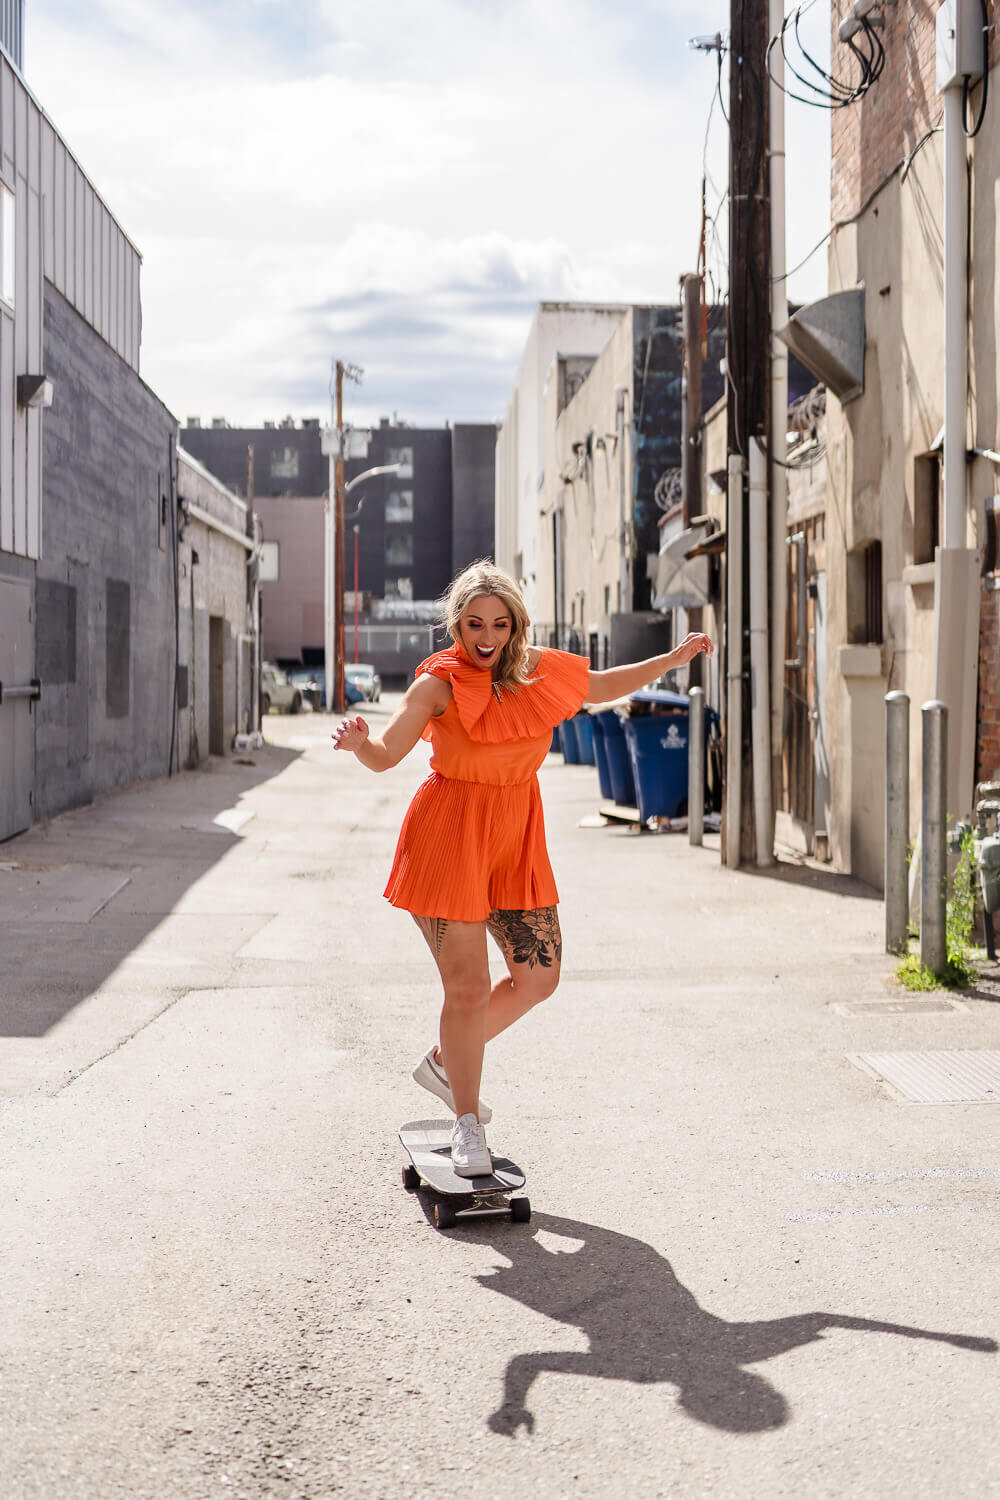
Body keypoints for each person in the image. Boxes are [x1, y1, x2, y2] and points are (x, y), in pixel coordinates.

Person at [333, 561, 713, 1176]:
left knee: (539, 976)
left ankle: (444, 1060)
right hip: (450, 836)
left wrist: (669, 661)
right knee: (468, 987)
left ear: (514, 626)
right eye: (474, 622)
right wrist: (359, 743)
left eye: (499, 623)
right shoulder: (439, 684)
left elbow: (606, 684)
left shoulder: (538, 671)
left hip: (515, 838)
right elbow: (386, 754)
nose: (486, 635)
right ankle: (465, 1126)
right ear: (457, 624)